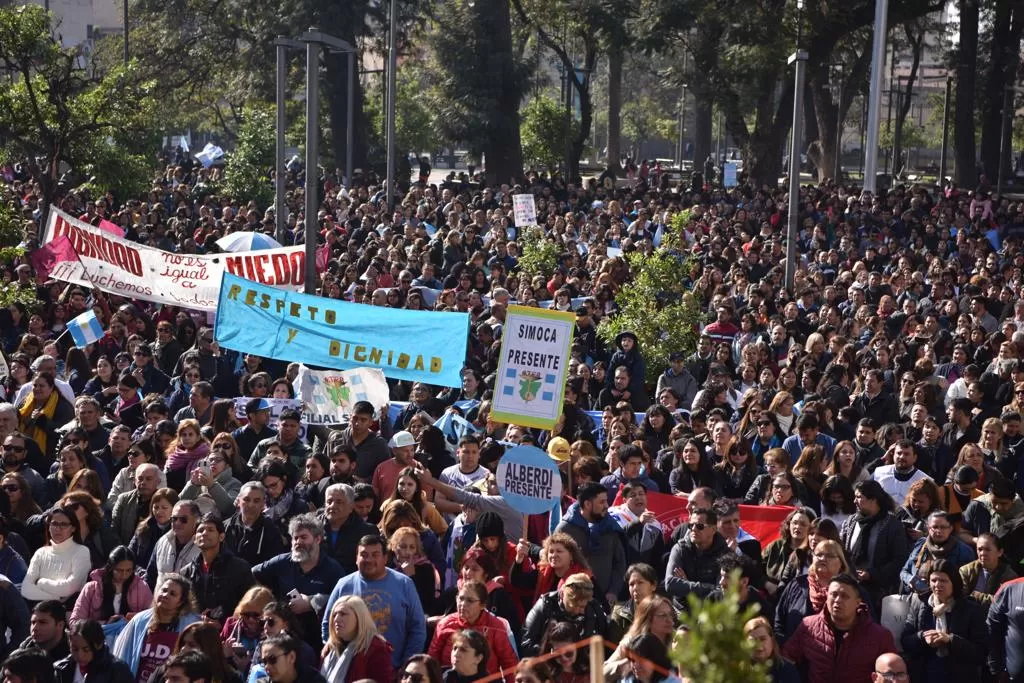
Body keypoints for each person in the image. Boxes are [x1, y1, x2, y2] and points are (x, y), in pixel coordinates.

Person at [321, 534, 426, 668]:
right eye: (364, 555)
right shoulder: (344, 585)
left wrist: (406, 665)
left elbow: (418, 628)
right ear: (356, 559)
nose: (369, 559)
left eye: (375, 554)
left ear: (385, 558)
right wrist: (339, 657)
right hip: (350, 670)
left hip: (393, 669)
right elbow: (327, 625)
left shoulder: (404, 584)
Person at [251, 513, 344, 651]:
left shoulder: (332, 569)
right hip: (284, 641)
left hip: (319, 641)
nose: (298, 542)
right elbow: (252, 573)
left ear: (318, 539)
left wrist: (312, 603)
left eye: (304, 537)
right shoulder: (282, 562)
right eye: (295, 538)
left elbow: (343, 601)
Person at [782, 574, 897, 683]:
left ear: (858, 603)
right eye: (833, 594)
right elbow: (785, 660)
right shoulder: (808, 626)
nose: (837, 600)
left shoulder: (880, 636)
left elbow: (892, 675)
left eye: (844, 596)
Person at [901, 560, 987, 683]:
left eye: (943, 581)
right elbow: (905, 640)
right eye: (934, 580)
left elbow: (981, 652)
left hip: (959, 676)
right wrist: (922, 637)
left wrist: (950, 640)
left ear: (954, 582)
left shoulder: (970, 609)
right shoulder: (920, 603)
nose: (937, 585)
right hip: (925, 674)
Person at [112, 573, 202, 681]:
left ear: (181, 602)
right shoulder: (140, 621)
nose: (165, 595)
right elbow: (122, 656)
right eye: (163, 590)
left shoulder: (191, 625)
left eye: (172, 594)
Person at [428, 579, 517, 682]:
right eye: (461, 598)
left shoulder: (495, 626)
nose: (463, 604)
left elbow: (509, 663)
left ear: (483, 605)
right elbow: (432, 662)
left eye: (470, 600)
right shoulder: (445, 624)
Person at [554, 481, 626, 605]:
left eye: (606, 501)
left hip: (604, 601)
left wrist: (613, 591)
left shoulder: (611, 528)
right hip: (570, 602)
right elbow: (554, 565)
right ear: (587, 504)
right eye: (601, 502)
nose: (607, 505)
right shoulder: (565, 530)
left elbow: (619, 563)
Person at [839, 480, 909, 607]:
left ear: (873, 499)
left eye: (859, 497)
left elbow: (900, 559)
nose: (855, 501)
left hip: (878, 593)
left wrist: (872, 574)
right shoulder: (851, 522)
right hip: (849, 587)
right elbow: (841, 550)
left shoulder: (892, 526)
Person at [522, 572, 608, 670]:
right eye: (573, 606)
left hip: (583, 669)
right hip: (548, 667)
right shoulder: (545, 605)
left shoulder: (594, 610)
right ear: (562, 595)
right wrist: (553, 652)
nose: (577, 611)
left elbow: (605, 644)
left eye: (582, 606)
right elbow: (526, 643)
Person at [180, 513, 254, 622]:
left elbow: (249, 604)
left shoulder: (240, 568)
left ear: (221, 536)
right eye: (200, 531)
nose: (204, 533)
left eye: (210, 530)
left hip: (227, 632)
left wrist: (222, 623)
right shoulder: (186, 572)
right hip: (194, 630)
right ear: (194, 539)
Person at [21, 505, 91, 604]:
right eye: (54, 524)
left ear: (73, 528)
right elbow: (26, 589)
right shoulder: (40, 552)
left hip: (68, 612)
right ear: (48, 527)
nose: (58, 529)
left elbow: (69, 588)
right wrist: (57, 597)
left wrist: (42, 582)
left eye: (64, 524)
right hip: (39, 611)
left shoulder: (81, 552)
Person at [70, 545, 153, 624]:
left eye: (128, 570)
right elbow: (75, 622)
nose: (124, 575)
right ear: (110, 568)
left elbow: (153, 617)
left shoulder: (142, 587)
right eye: (119, 570)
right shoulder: (91, 589)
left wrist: (136, 618)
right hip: (98, 636)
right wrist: (106, 624)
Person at [899, 511, 975, 597]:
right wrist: (910, 580)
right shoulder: (921, 545)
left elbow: (967, 585)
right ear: (928, 528)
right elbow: (904, 571)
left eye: (943, 527)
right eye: (935, 527)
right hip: (916, 600)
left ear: (950, 528)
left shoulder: (964, 551)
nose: (939, 531)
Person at [320, 596, 393, 683]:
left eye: (343, 614)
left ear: (359, 617)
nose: (336, 619)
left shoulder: (376, 648)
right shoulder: (330, 648)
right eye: (334, 614)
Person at [664, 507, 730, 603]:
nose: (694, 529)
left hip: (710, 611)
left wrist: (686, 583)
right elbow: (670, 584)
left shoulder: (725, 554)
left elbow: (721, 593)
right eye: (691, 525)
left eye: (700, 526)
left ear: (713, 529)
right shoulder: (680, 548)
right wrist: (711, 587)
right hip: (681, 610)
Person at [316, 483, 378, 574]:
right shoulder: (313, 526)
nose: (332, 506)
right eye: (329, 501)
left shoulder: (367, 531)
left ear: (351, 506)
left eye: (339, 502)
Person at [223, 483, 288, 568]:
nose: (251, 505)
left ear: (263, 504)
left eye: (256, 501)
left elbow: (273, 567)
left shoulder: (271, 531)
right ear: (238, 501)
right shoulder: (225, 527)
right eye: (246, 499)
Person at [53, 618, 133, 683]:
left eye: (86, 650)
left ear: (99, 645)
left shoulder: (117, 671)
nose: (80, 655)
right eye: (75, 649)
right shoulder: (61, 669)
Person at [146, 500, 201, 590]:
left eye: (183, 519)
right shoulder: (162, 542)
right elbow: (150, 577)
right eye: (174, 519)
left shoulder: (202, 547)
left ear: (196, 521)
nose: (177, 523)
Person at [111, 462, 164, 545]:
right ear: (135, 481)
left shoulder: (164, 501)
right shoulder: (124, 499)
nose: (143, 482)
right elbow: (114, 528)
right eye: (140, 479)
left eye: (149, 479)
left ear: (158, 481)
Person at [959, 532, 1018, 605]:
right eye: (979, 549)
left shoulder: (1009, 576)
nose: (983, 553)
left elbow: (1005, 602)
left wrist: (976, 595)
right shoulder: (966, 571)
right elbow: (960, 598)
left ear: (1000, 552)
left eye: (988, 549)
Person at [128, 488, 178, 571]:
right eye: (156, 507)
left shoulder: (178, 533)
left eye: (164, 508)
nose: (159, 512)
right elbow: (130, 555)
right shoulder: (143, 528)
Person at [745, 616, 799, 683]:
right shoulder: (738, 671)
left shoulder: (787, 670)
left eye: (763, 639)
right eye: (753, 641)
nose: (758, 645)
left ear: (772, 640)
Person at [259, 633, 327, 683]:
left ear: (291, 657)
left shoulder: (314, 680)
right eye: (264, 661)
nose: (267, 667)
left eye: (272, 659)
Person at [19, 600, 69, 665]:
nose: (35, 628)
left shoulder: (74, 655)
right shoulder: (24, 650)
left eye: (42, 622)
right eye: (33, 622)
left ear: (60, 625)